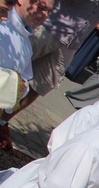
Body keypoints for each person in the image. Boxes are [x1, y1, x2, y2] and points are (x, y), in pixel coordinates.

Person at [0, 0, 99, 150]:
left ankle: (2, 122)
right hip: (48, 27)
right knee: (11, 70)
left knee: (39, 87)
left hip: (72, 43)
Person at [0, 0, 54, 149]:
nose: (45, 16)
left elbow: (24, 82)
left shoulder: (26, 44)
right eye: (42, 8)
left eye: (49, 12)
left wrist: (20, 87)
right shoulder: (3, 22)